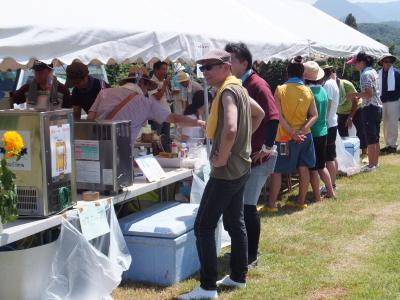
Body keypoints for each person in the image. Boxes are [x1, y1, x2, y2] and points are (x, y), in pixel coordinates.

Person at [178, 49, 265, 300]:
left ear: (226, 67)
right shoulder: (238, 87)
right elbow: (258, 114)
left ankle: (207, 288)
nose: (204, 72)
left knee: (203, 226)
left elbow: (229, 128)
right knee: (235, 223)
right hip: (241, 166)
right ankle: (238, 276)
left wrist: (225, 154)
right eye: (201, 68)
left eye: (209, 67)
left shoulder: (228, 92)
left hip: (227, 170)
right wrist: (242, 143)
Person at [225, 42, 279, 268]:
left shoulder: (257, 84)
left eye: (231, 60)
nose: (227, 64)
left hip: (259, 157)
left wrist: (266, 148)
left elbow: (273, 117)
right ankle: (243, 251)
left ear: (244, 63)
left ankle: (251, 256)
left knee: (247, 207)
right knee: (240, 207)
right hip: (248, 157)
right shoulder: (241, 83)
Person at [88, 66, 205, 145]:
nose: (146, 90)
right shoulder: (145, 103)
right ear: (141, 82)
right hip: (122, 150)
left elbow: (90, 119)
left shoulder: (104, 93)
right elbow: (174, 118)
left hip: (96, 145)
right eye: (147, 86)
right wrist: (198, 123)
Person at [268, 56, 318, 210]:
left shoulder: (280, 89)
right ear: (303, 74)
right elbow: (314, 115)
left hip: (284, 137)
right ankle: (301, 202)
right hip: (305, 136)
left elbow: (279, 116)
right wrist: (301, 131)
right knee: (304, 168)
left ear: (287, 73)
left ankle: (272, 205)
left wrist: (292, 133)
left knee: (277, 171)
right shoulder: (308, 90)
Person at [303, 61, 335, 202]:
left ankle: (317, 196)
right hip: (323, 131)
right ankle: (330, 192)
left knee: (313, 168)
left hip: (313, 133)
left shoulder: (308, 92)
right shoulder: (322, 90)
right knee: (322, 166)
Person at [346, 52, 383, 172]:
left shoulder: (365, 74)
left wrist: (355, 94)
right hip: (377, 107)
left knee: (371, 138)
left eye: (355, 63)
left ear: (362, 62)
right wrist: (360, 95)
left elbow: (369, 93)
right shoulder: (373, 71)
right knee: (375, 137)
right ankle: (375, 163)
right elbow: (371, 92)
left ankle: (371, 165)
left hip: (370, 108)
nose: (354, 66)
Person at [333, 65, 368, 156]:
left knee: (361, 130)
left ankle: (364, 152)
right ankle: (346, 153)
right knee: (342, 133)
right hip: (341, 112)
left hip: (356, 109)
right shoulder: (329, 86)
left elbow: (355, 101)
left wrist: (351, 117)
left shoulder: (346, 84)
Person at [377, 54, 400, 153]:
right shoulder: (378, 74)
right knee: (385, 123)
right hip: (382, 101)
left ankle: (393, 145)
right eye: (386, 61)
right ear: (382, 63)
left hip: (394, 101)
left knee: (393, 123)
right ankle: (388, 144)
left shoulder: (397, 73)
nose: (389, 63)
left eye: (390, 61)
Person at [322, 65, 340, 192]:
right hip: (332, 122)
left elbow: (328, 104)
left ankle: (331, 185)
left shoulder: (328, 84)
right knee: (332, 155)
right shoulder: (332, 82)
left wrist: (324, 121)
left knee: (329, 156)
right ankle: (333, 183)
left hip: (329, 123)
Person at [149, 61, 172, 151]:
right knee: (156, 139)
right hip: (156, 115)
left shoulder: (163, 81)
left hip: (166, 113)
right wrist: (164, 85)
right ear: (156, 70)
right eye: (163, 69)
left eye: (166, 69)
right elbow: (158, 97)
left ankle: (167, 157)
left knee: (166, 139)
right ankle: (155, 158)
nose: (165, 71)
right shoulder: (151, 82)